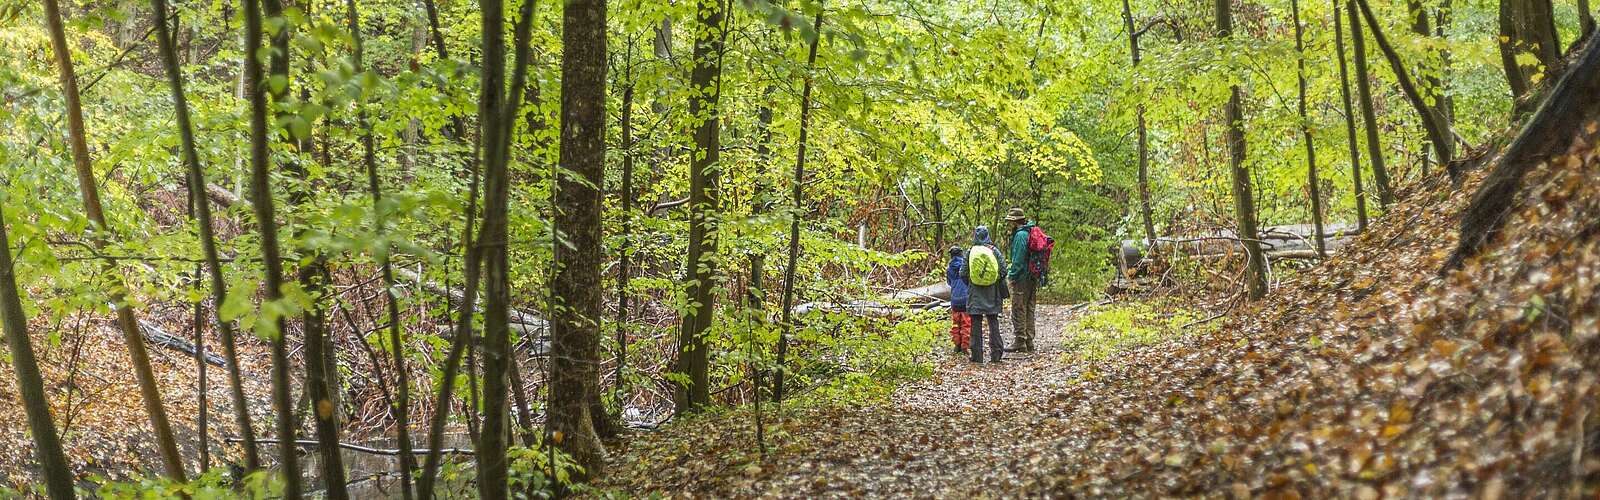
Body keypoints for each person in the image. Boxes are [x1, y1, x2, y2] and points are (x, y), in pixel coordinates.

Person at [961, 226, 1009, 363]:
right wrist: (993, 281)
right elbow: (1003, 271)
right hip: (992, 293)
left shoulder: (970, 252)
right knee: (993, 321)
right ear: (987, 235)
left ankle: (977, 356)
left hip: (975, 294)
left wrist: (972, 283)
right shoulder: (994, 251)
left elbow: (963, 273)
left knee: (975, 323)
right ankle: (996, 354)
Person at [1005, 207, 1039, 353]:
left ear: (1014, 221)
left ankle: (1020, 340)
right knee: (1029, 307)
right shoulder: (1030, 231)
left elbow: (1018, 260)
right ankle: (1029, 340)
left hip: (1022, 277)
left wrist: (1011, 276)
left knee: (1018, 307)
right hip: (1032, 276)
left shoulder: (1020, 236)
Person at [946, 247, 971, 354]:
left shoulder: (949, 268)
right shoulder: (966, 266)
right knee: (966, 323)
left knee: (956, 323)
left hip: (954, 299)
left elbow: (949, 283)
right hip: (966, 298)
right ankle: (965, 346)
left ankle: (957, 345)